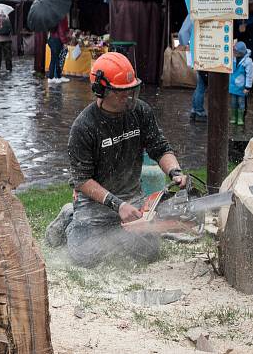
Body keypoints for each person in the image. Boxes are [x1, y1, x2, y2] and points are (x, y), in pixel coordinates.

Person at [64, 52, 186, 267]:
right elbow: (82, 180)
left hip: (132, 197)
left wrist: (174, 172)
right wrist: (116, 204)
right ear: (101, 91)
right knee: (86, 258)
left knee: (149, 252)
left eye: (130, 90)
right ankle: (68, 218)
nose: (127, 97)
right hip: (96, 203)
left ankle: (117, 230)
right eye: (120, 92)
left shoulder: (140, 111)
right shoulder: (84, 127)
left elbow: (160, 148)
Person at [178, 14, 208, 121]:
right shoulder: (196, 13)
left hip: (198, 52)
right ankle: (198, 110)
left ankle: (195, 110)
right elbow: (183, 33)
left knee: (201, 84)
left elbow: (182, 33)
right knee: (202, 85)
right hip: (206, 52)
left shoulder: (193, 12)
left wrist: (186, 43)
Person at [229, 41, 253, 126]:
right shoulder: (233, 58)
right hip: (233, 86)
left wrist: (247, 87)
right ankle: (233, 116)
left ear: (240, 53)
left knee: (241, 102)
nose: (234, 53)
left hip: (241, 88)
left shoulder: (248, 61)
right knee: (233, 102)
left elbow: (249, 75)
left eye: (235, 51)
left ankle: (240, 117)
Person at [47, 16, 69, 83]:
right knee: (57, 59)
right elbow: (61, 31)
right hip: (57, 40)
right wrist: (64, 42)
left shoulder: (53, 16)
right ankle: (57, 77)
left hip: (52, 38)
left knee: (54, 59)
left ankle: (51, 77)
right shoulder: (61, 17)